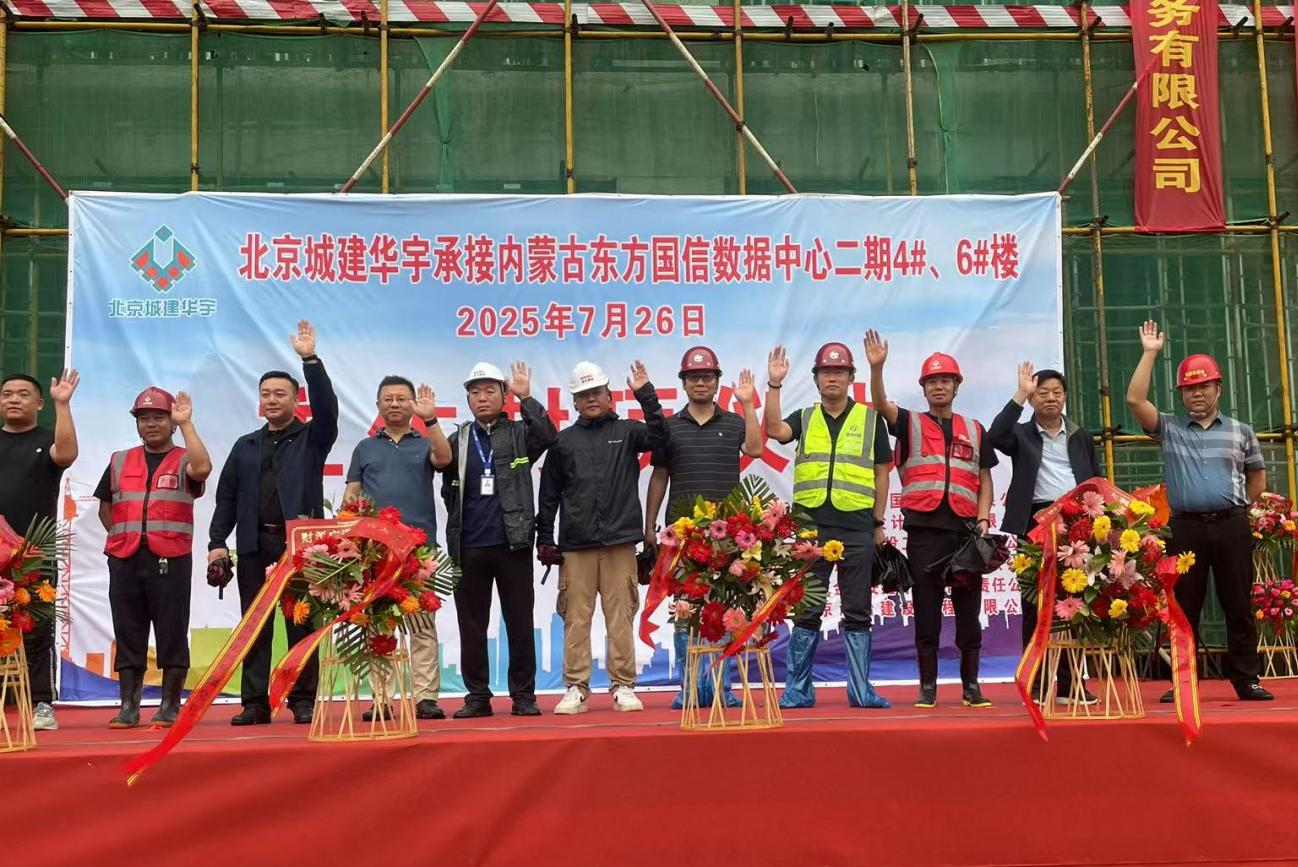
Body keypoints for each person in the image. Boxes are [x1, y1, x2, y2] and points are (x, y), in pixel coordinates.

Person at [1126, 319, 1272, 702]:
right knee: (1183, 607)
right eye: (1189, 389)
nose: (1197, 394)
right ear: (1181, 394)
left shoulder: (1240, 430)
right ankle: (1182, 681)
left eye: (1204, 386)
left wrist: (1237, 507)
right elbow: (1135, 401)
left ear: (1218, 388)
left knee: (1238, 604)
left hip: (1231, 526)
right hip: (1185, 529)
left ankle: (1246, 679)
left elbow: (1257, 478)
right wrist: (1150, 353)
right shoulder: (1170, 428)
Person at [208, 320, 338, 725]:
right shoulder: (245, 445)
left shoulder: (312, 439)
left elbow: (328, 408)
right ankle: (254, 703)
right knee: (254, 626)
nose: (271, 400)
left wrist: (310, 360)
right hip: (252, 546)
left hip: (299, 547)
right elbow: (226, 497)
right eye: (265, 394)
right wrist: (217, 542)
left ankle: (303, 699)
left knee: (302, 623)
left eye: (280, 393)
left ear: (296, 399)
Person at [865, 330, 998, 709]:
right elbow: (880, 405)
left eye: (945, 380)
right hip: (925, 533)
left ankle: (971, 686)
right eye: (932, 381)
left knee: (969, 613)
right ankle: (928, 687)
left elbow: (985, 479)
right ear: (923, 388)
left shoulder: (975, 429)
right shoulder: (910, 423)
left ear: (956, 386)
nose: (939, 386)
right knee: (927, 611)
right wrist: (877, 368)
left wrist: (984, 519)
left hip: (966, 534)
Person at [765, 342, 892, 710]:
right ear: (817, 379)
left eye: (839, 371)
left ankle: (860, 691)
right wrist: (774, 384)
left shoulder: (871, 420)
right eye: (825, 372)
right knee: (807, 609)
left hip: (856, 527)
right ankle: (798, 690)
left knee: (857, 610)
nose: (832, 377)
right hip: (812, 530)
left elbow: (881, 473)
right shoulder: (805, 417)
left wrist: (878, 522)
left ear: (851, 378)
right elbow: (773, 430)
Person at [537, 360, 665, 714]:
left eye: (596, 392)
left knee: (620, 617)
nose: (591, 399)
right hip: (576, 546)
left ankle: (623, 686)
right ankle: (575, 688)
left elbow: (661, 438)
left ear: (610, 396)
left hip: (620, 543)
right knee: (576, 619)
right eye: (583, 395)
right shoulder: (563, 442)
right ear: (574, 402)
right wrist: (545, 538)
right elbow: (548, 495)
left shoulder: (628, 432)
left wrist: (646, 394)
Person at [644, 346, 763, 710]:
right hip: (683, 535)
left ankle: (723, 688)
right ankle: (690, 688)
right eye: (693, 377)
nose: (700, 382)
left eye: (707, 377)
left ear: (717, 382)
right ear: (683, 383)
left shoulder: (733, 422)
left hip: (727, 535)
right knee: (685, 611)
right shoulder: (669, 427)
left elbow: (756, 449)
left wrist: (747, 405)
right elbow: (659, 475)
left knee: (725, 609)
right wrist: (649, 525)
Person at [441, 361, 557, 718]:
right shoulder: (458, 440)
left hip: (513, 543)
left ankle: (523, 695)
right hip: (469, 545)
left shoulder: (520, 434)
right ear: (468, 400)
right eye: (475, 392)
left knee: (519, 621)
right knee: (471, 625)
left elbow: (548, 436)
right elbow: (446, 484)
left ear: (504, 396)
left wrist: (527, 398)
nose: (482, 397)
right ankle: (477, 696)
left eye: (490, 390)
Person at [95, 388, 211, 728]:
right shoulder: (119, 460)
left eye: (159, 417)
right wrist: (126, 536)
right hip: (125, 558)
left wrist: (186, 424)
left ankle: (170, 705)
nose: (150, 424)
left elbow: (203, 469)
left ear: (171, 423)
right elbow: (106, 507)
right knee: (128, 629)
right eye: (143, 418)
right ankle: (128, 707)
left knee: (171, 629)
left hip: (170, 558)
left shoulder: (185, 458)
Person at [987, 362, 1102, 706]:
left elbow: (1097, 480)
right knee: (1035, 604)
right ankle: (1034, 683)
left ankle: (1070, 685)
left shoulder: (1080, 435)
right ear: (1034, 398)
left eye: (1056, 392)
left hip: (1077, 522)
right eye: (1042, 393)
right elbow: (994, 436)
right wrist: (1019, 395)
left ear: (1065, 397)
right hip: (1035, 522)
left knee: (1074, 604)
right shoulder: (1021, 434)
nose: (1050, 398)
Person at [344, 375, 453, 721]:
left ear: (412, 405)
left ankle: (426, 697)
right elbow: (351, 496)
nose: (394, 404)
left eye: (402, 398)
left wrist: (430, 419)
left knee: (422, 624)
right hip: (375, 552)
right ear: (378, 405)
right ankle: (381, 698)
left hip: (419, 551)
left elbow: (444, 459)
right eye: (388, 398)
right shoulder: (365, 448)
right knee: (378, 626)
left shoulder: (424, 442)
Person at [0, 370, 79, 731]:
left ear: (39, 403)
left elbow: (67, 454)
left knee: (37, 629)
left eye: (23, 394)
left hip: (33, 553)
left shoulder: (47, 439)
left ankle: (42, 702)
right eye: (7, 394)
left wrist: (63, 405)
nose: (14, 399)